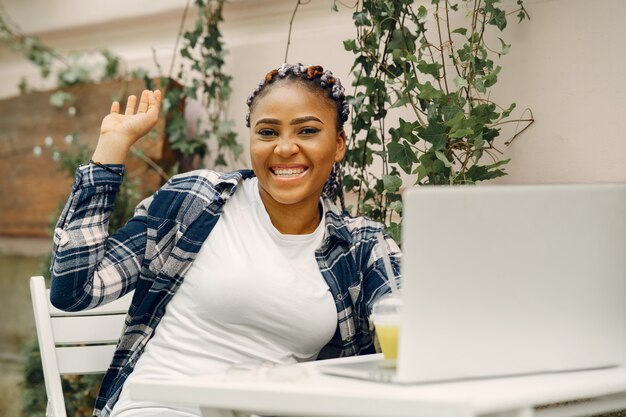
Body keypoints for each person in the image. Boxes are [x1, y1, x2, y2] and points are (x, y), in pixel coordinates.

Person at [50, 63, 401, 417]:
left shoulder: (360, 245)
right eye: (267, 132)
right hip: (160, 406)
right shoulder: (196, 201)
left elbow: (417, 327)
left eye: (307, 131)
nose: (284, 148)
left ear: (338, 144)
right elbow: (75, 289)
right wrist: (111, 149)